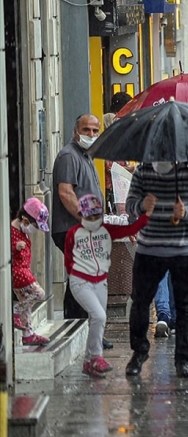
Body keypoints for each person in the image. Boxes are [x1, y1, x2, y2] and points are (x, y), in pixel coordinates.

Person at [125, 161, 188, 378]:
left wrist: (187, 211)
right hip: (150, 249)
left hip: (184, 249)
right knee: (140, 302)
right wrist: (141, 206)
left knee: (184, 306)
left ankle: (183, 358)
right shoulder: (143, 170)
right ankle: (139, 352)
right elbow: (130, 204)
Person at [65, 194, 155, 377]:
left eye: (96, 216)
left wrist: (147, 214)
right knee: (98, 316)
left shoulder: (106, 230)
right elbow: (68, 261)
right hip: (81, 281)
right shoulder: (73, 234)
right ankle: (96, 357)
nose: (92, 220)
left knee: (98, 319)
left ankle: (89, 361)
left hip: (100, 281)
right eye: (88, 217)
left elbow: (132, 228)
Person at [52, 114, 116, 349]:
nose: (90, 135)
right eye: (86, 130)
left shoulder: (86, 156)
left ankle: (82, 329)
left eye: (94, 131)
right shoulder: (69, 156)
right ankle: (81, 329)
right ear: (75, 131)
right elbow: (66, 192)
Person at [10, 198, 51, 345]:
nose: (36, 230)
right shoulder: (11, 231)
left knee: (26, 302)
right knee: (39, 294)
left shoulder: (23, 231)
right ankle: (15, 310)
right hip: (19, 272)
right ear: (25, 220)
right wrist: (15, 247)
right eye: (35, 226)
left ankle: (28, 333)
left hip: (24, 270)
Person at [102, 92, 136, 214]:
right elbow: (110, 167)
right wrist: (129, 168)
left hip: (117, 190)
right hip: (112, 190)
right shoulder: (110, 123)